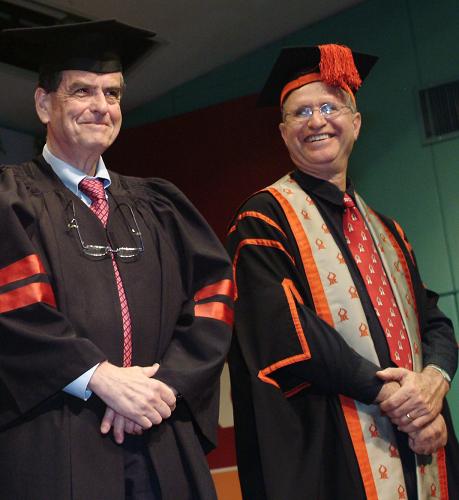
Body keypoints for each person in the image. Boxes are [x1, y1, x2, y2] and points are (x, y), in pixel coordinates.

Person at [0, 20, 233, 499]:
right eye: (82, 91)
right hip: (55, 434)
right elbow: (12, 304)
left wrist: (164, 386)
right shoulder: (10, 199)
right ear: (44, 104)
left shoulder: (161, 206)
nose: (101, 107)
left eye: (112, 94)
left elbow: (215, 297)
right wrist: (99, 377)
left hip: (159, 429)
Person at [226, 44, 459, 499]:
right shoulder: (264, 218)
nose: (316, 121)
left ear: (355, 123)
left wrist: (433, 385)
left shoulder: (389, 232)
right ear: (283, 131)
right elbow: (288, 332)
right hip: (333, 448)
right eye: (301, 112)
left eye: (330, 106)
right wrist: (394, 398)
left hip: (417, 446)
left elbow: (434, 323)